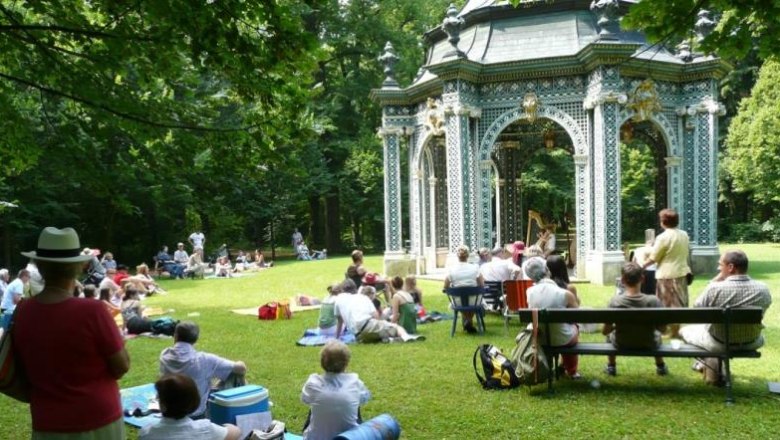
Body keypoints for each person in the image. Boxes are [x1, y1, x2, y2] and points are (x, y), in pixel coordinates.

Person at [14, 226, 129, 437]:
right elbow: (121, 367)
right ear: (78, 267)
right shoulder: (92, 311)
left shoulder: (22, 312)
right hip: (97, 419)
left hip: (47, 421)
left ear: (39, 265)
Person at [680, 250, 772, 383]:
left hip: (720, 343)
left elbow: (698, 308)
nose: (718, 268)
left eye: (720, 264)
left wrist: (714, 281)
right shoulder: (763, 289)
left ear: (730, 267)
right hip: (751, 342)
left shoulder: (715, 288)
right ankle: (712, 367)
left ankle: (707, 365)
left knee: (685, 331)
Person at [159, 321, 247, 419]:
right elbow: (241, 368)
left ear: (175, 336)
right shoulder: (204, 360)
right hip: (195, 414)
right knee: (235, 374)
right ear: (196, 339)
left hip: (169, 410)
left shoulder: (165, 354)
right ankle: (239, 410)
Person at [602, 263, 668, 376]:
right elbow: (663, 329)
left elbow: (605, 331)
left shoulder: (615, 302)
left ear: (622, 280)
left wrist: (615, 327)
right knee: (656, 335)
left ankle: (611, 366)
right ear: (642, 279)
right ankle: (660, 366)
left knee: (609, 337)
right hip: (648, 342)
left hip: (621, 343)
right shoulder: (653, 301)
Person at [301, 340, 371, 440]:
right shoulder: (355, 382)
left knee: (315, 402)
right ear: (346, 363)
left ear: (322, 362)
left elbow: (305, 399)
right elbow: (365, 397)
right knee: (356, 401)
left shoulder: (313, 383)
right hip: (348, 438)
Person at [525, 256, 581, 379]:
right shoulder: (564, 293)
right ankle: (571, 370)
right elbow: (577, 315)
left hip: (540, 338)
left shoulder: (529, 292)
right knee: (574, 328)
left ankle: (548, 366)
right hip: (563, 338)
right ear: (547, 271)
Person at [139, 373, 241, 440]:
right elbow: (236, 432)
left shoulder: (147, 433)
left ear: (162, 404)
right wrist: (224, 426)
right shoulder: (206, 429)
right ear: (194, 401)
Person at [642, 208, 691, 337]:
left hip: (667, 274)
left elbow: (654, 258)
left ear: (662, 222)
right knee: (679, 301)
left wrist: (642, 266)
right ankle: (675, 330)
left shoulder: (663, 237)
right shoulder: (684, 234)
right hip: (681, 272)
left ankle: (671, 332)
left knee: (667, 303)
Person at [334, 280, 421, 343]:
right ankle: (406, 337)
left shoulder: (338, 299)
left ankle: (389, 339)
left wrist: (337, 338)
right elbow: (376, 316)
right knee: (395, 327)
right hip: (367, 324)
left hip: (358, 335)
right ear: (355, 289)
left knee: (376, 335)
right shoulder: (362, 297)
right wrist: (383, 322)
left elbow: (340, 322)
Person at [444, 245, 484, 334]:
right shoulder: (475, 268)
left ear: (457, 256)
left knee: (462, 302)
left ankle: (467, 320)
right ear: (468, 256)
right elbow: (482, 284)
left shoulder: (451, 269)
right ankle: (469, 320)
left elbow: (445, 286)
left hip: (458, 301)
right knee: (474, 300)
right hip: (474, 300)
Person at [632, 229, 657, 295]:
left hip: (640, 271)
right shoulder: (654, 250)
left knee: (642, 290)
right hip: (652, 272)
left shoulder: (638, 250)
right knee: (652, 291)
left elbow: (633, 261)